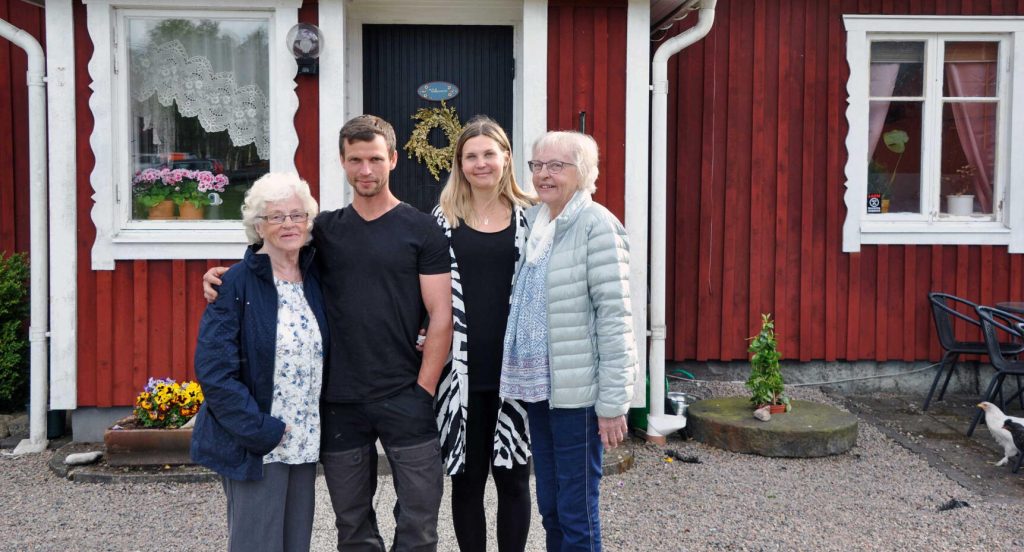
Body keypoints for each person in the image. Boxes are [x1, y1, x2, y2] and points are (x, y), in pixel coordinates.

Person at [203, 115, 453, 551]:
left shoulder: (421, 229)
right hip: (339, 402)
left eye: (375, 159)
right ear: (343, 162)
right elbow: (277, 246)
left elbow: (441, 315)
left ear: (392, 159)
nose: (366, 170)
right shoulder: (326, 232)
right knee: (352, 525)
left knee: (420, 518)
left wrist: (424, 389)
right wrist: (228, 274)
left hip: (405, 394)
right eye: (356, 160)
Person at [500, 131, 636, 551]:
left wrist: (613, 405)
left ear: (584, 173)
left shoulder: (596, 226)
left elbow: (615, 319)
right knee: (552, 506)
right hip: (542, 389)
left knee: (577, 511)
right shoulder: (537, 223)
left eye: (556, 166)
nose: (544, 175)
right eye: (537, 165)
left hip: (577, 397)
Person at [191, 172, 328, 552]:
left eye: (297, 216)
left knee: (295, 543)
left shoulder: (314, 278)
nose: (289, 225)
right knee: (257, 544)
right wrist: (259, 430)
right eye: (276, 217)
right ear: (258, 226)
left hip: (303, 439)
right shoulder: (234, 283)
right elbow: (214, 371)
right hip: (258, 441)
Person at [430, 116, 534, 551]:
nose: (481, 163)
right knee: (467, 484)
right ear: (459, 163)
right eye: (471, 156)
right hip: (460, 375)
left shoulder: (533, 219)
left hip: (518, 373)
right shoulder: (440, 220)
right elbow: (418, 291)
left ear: (506, 158)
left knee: (513, 483)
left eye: (489, 154)